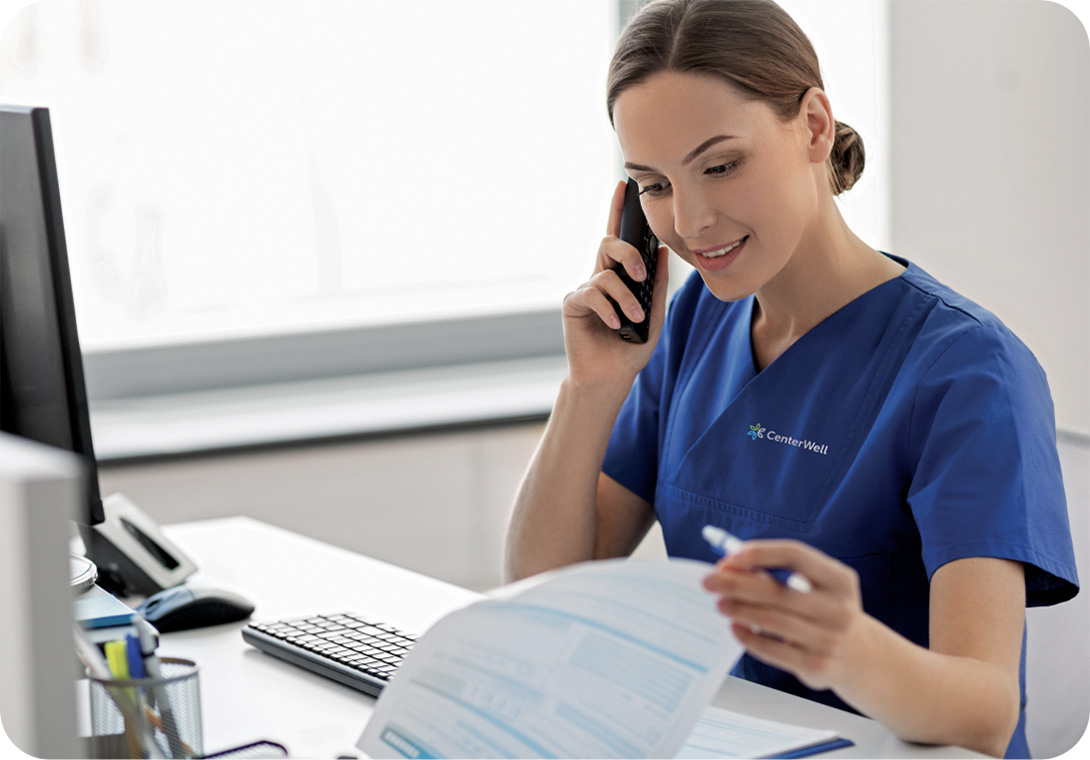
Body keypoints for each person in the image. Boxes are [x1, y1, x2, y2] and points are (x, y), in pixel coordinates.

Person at [503, 1, 1079, 757]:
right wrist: (591, 389)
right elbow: (541, 594)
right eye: (653, 186)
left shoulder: (967, 370)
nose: (692, 220)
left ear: (812, 125)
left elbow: (985, 713)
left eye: (720, 166)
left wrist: (850, 648)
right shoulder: (690, 326)